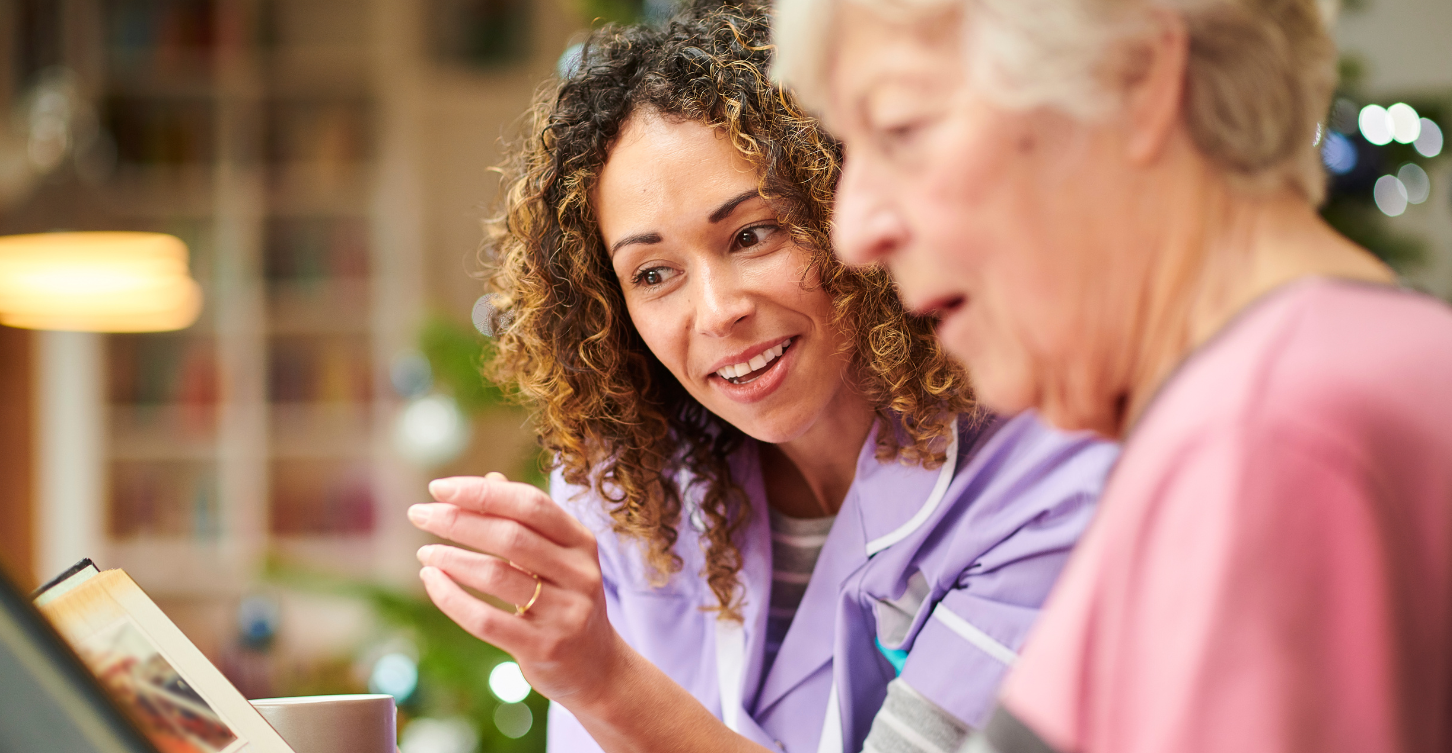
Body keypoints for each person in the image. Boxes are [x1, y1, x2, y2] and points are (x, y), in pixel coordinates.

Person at [405, 4, 1117, 753]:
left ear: (843, 205)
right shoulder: (625, 488)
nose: (717, 312)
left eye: (752, 234)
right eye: (653, 274)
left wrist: (602, 679)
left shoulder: (1041, 477)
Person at [772, 0, 1452, 751]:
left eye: (903, 128)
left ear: (1135, 79)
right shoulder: (1345, 369)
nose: (855, 231)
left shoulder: (1266, 435)